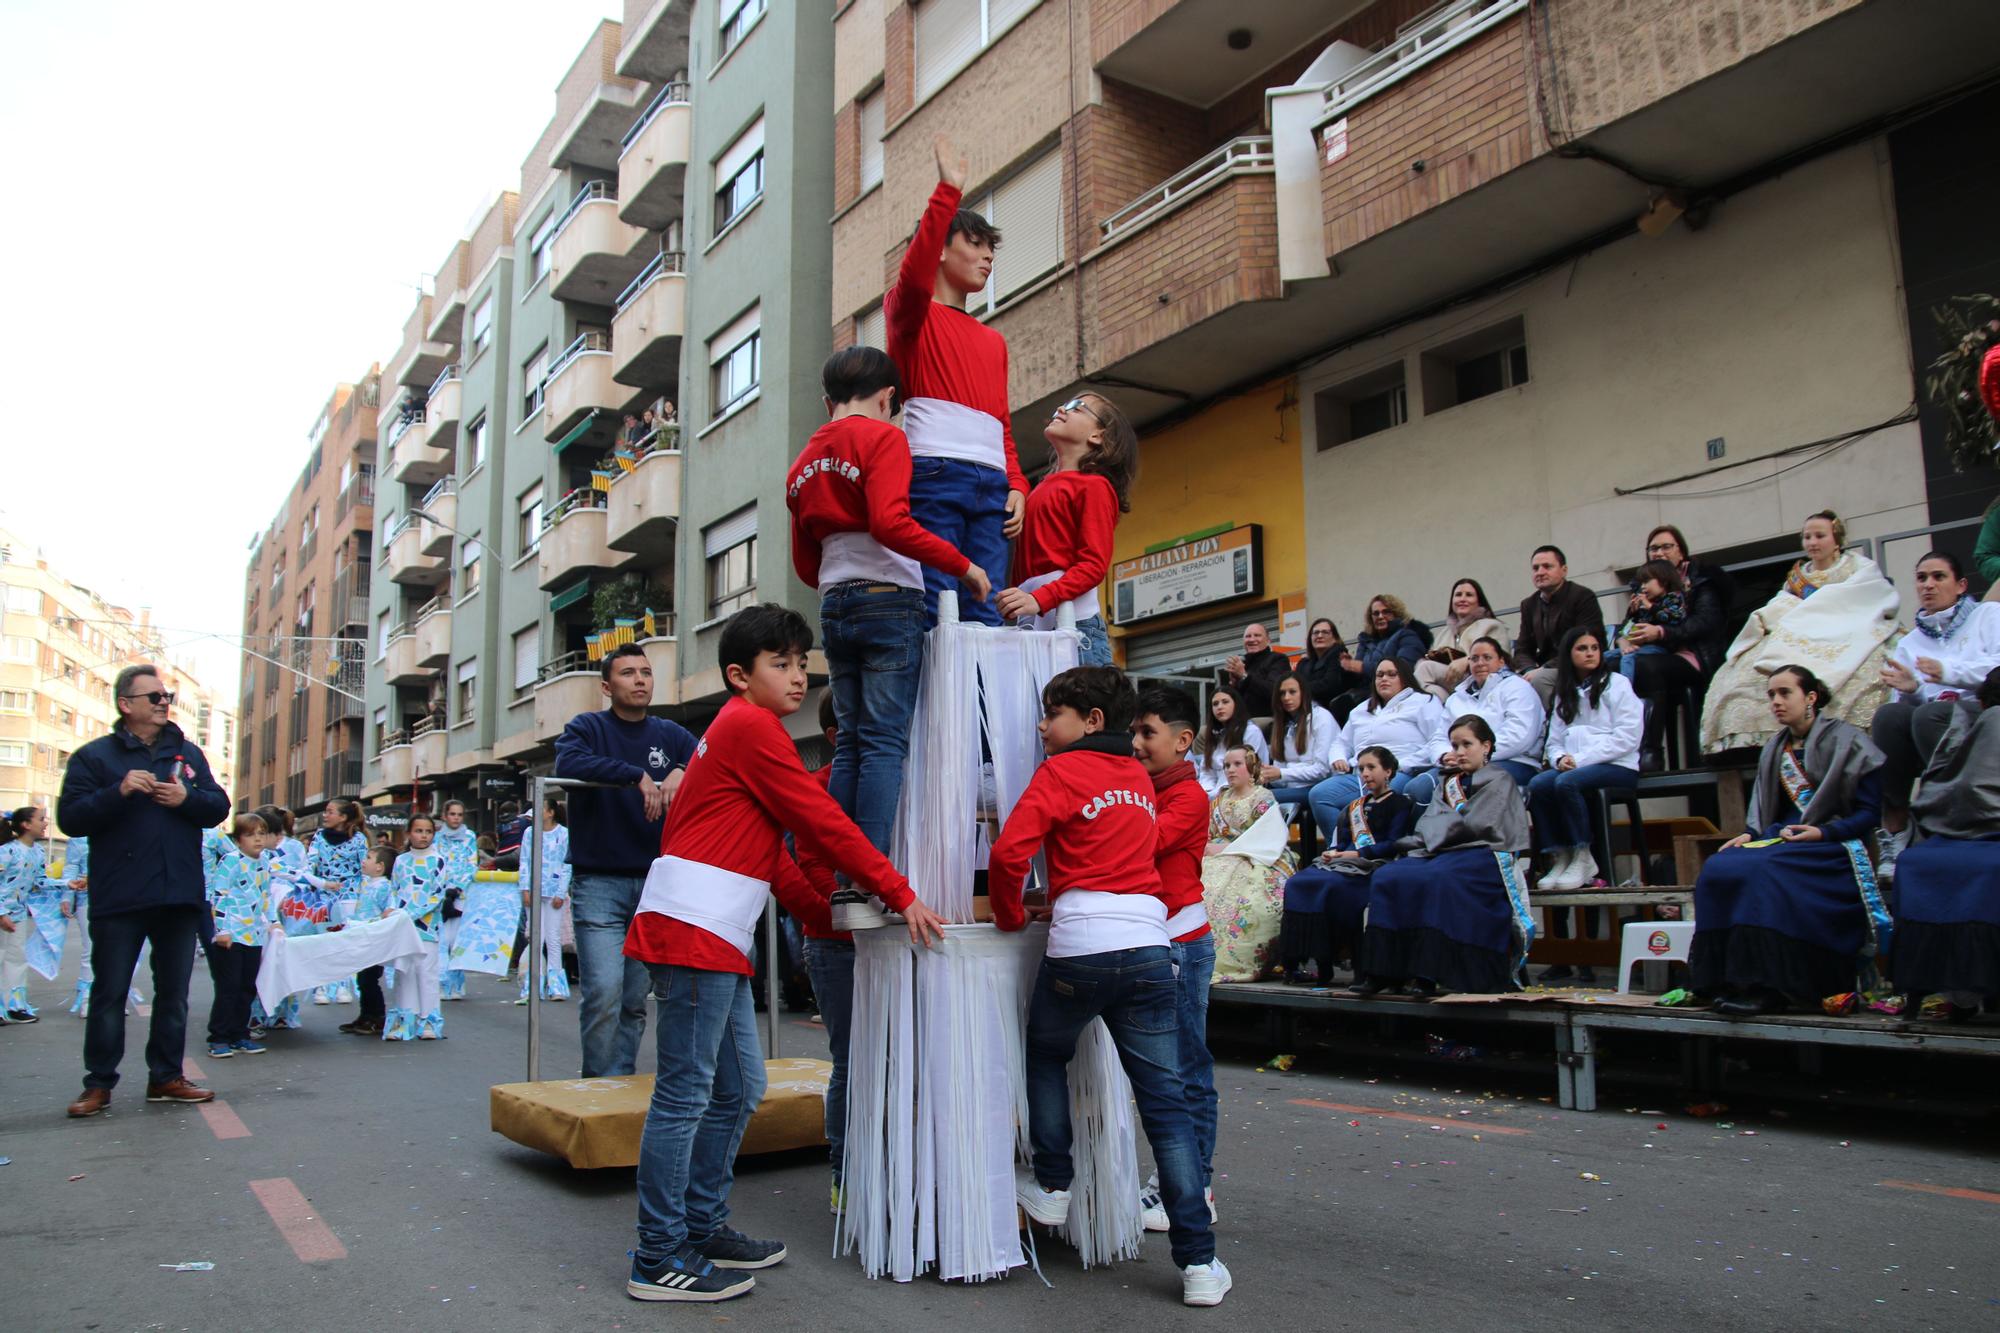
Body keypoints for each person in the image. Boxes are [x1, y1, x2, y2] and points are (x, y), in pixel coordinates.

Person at [622, 604, 944, 1304]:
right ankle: (657, 1253)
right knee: (685, 1094)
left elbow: (771, 853)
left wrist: (824, 921)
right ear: (740, 676)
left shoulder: (736, 734)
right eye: (782, 663)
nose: (799, 676)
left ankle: (699, 1225)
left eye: (803, 662)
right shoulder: (750, 728)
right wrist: (897, 891)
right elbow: (818, 819)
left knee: (738, 1087)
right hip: (695, 931)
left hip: (714, 933)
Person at [991, 665, 1229, 1308]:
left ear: (1091, 721)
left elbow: (1010, 854)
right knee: (1166, 1105)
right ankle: (1200, 1263)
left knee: (1046, 1054)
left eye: (1053, 713)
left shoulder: (1060, 772)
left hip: (1081, 949)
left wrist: (1012, 916)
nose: (1042, 726)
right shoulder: (1135, 777)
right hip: (1152, 948)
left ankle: (1053, 1186)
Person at [786, 344, 987, 872]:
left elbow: (806, 566)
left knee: (850, 742)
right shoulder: (885, 437)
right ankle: (874, 873)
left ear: (826, 400)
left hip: (835, 601)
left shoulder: (803, 462)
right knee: (883, 744)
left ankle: (848, 872)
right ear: (888, 396)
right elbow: (890, 523)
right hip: (888, 597)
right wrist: (964, 565)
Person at [57, 664, 230, 1117]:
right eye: (153, 696)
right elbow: (70, 819)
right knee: (109, 992)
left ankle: (166, 1077)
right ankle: (98, 1085)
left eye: (166, 696)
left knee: (173, 993)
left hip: (178, 895)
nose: (163, 703)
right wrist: (118, 791)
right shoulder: (95, 758)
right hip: (121, 897)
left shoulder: (187, 754)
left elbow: (219, 807)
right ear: (125, 704)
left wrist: (186, 799)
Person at [886, 134, 1029, 626]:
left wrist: (1018, 482)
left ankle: (979, 706)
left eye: (991, 248)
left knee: (988, 608)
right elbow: (914, 271)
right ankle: (939, 706)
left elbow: (1002, 421)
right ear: (941, 250)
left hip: (992, 482)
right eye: (974, 242)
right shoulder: (910, 313)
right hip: (933, 472)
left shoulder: (994, 341)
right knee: (936, 601)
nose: (988, 256)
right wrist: (946, 192)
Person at [1691, 665, 1886, 1016]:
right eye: (1771, 695)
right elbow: (1769, 815)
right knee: (1720, 866)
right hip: (1783, 841)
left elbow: (1870, 813)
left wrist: (1823, 832)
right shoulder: (1774, 749)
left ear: (1810, 697)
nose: (1776, 702)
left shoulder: (1850, 741)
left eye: (1785, 693)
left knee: (1763, 870)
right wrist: (1749, 835)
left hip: (1833, 844)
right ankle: (1724, 980)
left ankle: (1771, 985)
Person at [554, 641, 698, 1078]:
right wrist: (635, 775)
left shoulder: (670, 734)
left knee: (636, 1000)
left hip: (653, 884)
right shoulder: (587, 728)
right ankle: (598, 1089)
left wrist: (679, 770)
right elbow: (568, 759)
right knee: (603, 990)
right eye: (628, 673)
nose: (639, 680)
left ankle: (619, 1082)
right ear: (606, 685)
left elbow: (708, 754)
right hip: (599, 882)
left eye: (646, 672)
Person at [1351, 716, 1534, 997]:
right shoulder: (1447, 782)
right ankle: (1384, 970)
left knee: (1437, 878)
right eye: (1454, 745)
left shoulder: (1501, 779)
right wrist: (1427, 837)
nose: (1459, 752)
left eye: (1466, 744)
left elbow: (1480, 824)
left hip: (1482, 852)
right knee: (1389, 875)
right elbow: (1429, 822)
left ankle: (1430, 972)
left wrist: (1439, 832)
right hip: (1439, 850)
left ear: (1486, 746)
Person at [1130, 686, 1220, 1231]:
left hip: (1182, 944)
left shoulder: (1190, 798)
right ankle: (1171, 1182)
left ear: (1184, 741)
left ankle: (1196, 1188)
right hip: (1150, 941)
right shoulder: (1140, 784)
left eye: (1148, 733)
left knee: (1187, 1073)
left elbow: (1137, 841)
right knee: (1160, 1077)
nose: (1136, 744)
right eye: (1134, 732)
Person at [1701, 511, 1898, 753]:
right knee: (1742, 671)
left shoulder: (1859, 568)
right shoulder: (1798, 576)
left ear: (1837, 540)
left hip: (1847, 627)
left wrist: (1822, 604)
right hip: (1800, 629)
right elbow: (1783, 602)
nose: (1812, 542)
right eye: (1807, 537)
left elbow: (1870, 598)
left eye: (1820, 536)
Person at [1870, 552, 2000, 877]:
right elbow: (1913, 704)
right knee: (1889, 716)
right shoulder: (1910, 642)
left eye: (1938, 577)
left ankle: (1953, 815)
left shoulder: (1988, 615)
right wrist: (1912, 689)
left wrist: (1948, 671)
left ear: (1961, 585)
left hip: (1986, 712)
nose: (1928, 584)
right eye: (1921, 577)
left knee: (1932, 715)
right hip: (1935, 718)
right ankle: (1898, 830)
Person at [1888, 666, 2000, 1017]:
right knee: (1916, 862)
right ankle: (1954, 989)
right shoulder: (1978, 725)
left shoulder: (1988, 720)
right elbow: (1953, 782)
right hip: (1969, 829)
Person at [996, 391, 1136, 667]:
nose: (1062, 408)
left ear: (1098, 436)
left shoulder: (1094, 486)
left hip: (1076, 629)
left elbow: (1093, 565)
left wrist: (1038, 598)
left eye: (1078, 406)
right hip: (1036, 626)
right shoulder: (1039, 490)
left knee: (1076, 710)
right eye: (1065, 403)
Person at [1279, 746, 1418, 986]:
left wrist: (1357, 853)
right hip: (1346, 861)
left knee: (1334, 888)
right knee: (1299, 883)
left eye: (1371, 767)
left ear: (1388, 771)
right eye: (1361, 769)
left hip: (1373, 863)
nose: (1365, 773)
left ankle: (1352, 961)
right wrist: (1335, 852)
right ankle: (1313, 962)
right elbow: (1342, 840)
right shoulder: (1354, 807)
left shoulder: (1400, 804)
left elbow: (1393, 843)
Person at [1528, 627, 1644, 892]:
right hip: (1577, 765)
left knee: (1566, 783)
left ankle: (1583, 855)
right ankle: (1561, 855)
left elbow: (1628, 737)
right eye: (1582, 648)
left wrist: (1579, 760)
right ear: (1569, 654)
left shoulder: (1617, 684)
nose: (1590, 653)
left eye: (1594, 647)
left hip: (1618, 765)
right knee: (1539, 785)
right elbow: (1554, 741)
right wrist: (1559, 760)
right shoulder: (1564, 691)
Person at [1625, 526, 1733, 765]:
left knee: (1647, 666)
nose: (1659, 553)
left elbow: (1704, 622)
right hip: (1655, 653)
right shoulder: (1643, 585)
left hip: (1694, 656)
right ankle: (1619, 748)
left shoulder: (1702, 581)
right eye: (1653, 548)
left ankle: (1651, 751)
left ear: (1681, 551)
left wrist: (1661, 631)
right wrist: (1625, 639)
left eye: (1666, 546)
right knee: (1613, 664)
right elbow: (1629, 624)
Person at [1308, 658, 1443, 836]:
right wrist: (1338, 757)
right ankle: (1340, 849)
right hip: (1360, 775)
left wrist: (1396, 765)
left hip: (1399, 772)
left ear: (1404, 677)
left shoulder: (1424, 701)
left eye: (1391, 674)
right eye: (1379, 675)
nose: (1383, 679)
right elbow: (1340, 742)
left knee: (1384, 798)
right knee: (1320, 794)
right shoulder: (1361, 709)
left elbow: (1437, 740)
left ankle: (1379, 852)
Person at [1202, 745, 1296, 983]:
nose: (1230, 770)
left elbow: (1269, 835)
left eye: (1237, 764)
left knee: (1253, 895)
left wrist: (1225, 849)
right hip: (1218, 855)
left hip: (1257, 855)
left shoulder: (1263, 797)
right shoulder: (1220, 799)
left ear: (1251, 767)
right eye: (1226, 766)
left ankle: (1236, 960)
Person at [1418, 636, 1546, 797]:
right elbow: (1439, 737)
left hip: (1515, 761)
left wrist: (1472, 755)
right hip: (1461, 763)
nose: (1480, 663)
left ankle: (1462, 823)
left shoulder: (1518, 688)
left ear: (1501, 662)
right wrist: (1444, 755)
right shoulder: (1457, 697)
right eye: (1474, 658)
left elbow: (1519, 736)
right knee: (1419, 786)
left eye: (1487, 657)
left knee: (1463, 785)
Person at [203, 812, 272, 1059]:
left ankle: (240, 1034)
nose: (257, 839)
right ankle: (218, 1037)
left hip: (254, 934)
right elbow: (219, 895)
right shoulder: (231, 861)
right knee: (228, 987)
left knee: (247, 987)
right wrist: (222, 930)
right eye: (250, 834)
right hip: (231, 934)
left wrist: (273, 922)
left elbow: (267, 895)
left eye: (261, 834)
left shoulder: (265, 862)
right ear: (238, 839)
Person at [1514, 545, 1607, 706]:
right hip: (1541, 669)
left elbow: (1590, 641)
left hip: (1576, 667)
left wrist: (1543, 669)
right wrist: (1529, 670)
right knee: (1507, 683)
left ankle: (1554, 727)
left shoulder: (1582, 597)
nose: (1540, 572)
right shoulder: (1529, 604)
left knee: (1541, 680)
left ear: (1564, 570)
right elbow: (1522, 648)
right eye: (1535, 568)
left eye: (1547, 566)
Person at [385, 811, 448, 1041]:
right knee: (404, 972)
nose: (423, 836)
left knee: (426, 973)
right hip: (402, 927)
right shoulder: (401, 861)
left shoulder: (438, 860)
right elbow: (394, 890)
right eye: (419, 831)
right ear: (408, 833)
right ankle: (405, 1021)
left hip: (427, 927)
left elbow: (436, 896)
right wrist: (393, 911)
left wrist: (409, 915)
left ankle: (429, 1021)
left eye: (428, 831)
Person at [0, 806, 66, 1022]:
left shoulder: (37, 852)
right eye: (41, 819)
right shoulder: (6, 851)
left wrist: (68, 884)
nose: (45, 823)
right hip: (3, 916)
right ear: (26, 825)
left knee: (16, 960)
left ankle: (13, 1007)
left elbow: (40, 882)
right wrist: (1, 914)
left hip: (17, 917)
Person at [1331, 596, 1428, 723]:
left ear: (1396, 614)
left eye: (1386, 612)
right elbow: (1356, 678)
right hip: (1365, 692)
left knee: (1344, 704)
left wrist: (1361, 667)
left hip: (1395, 693)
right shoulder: (1366, 641)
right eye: (1375, 613)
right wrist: (1348, 668)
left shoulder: (1407, 636)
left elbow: (1404, 668)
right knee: (1336, 703)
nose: (1380, 616)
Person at [1258, 670, 1342, 811]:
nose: (1286, 697)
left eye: (1292, 692)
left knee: (1259, 801)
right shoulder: (1282, 724)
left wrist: (1282, 773)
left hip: (1320, 787)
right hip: (1294, 788)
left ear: (1303, 693)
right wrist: (1268, 774)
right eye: (1282, 693)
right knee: (1250, 796)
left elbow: (1322, 770)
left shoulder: (1322, 717)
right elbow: (1282, 776)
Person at [518, 797, 572, 1003]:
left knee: (553, 939)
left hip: (554, 893)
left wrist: (561, 892)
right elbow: (524, 861)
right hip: (534, 891)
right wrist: (525, 888)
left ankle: (557, 986)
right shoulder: (529, 834)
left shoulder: (564, 834)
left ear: (551, 812)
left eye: (541, 809)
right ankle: (533, 986)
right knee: (536, 938)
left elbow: (567, 864)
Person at [1417, 580, 1508, 701]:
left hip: (1477, 676)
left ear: (1479, 601)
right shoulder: (1444, 632)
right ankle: (1447, 704)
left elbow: (1503, 657)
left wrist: (1467, 660)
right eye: (1458, 595)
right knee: (1427, 685)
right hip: (1449, 682)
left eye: (1469, 595)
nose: (1462, 599)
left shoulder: (1492, 626)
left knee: (1425, 669)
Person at [434, 800, 481, 1000]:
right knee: (442, 940)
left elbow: (472, 865)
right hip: (442, 895)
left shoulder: (469, 837)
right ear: (445, 815)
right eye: (452, 814)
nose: (456, 818)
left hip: (462, 895)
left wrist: (458, 888)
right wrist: (444, 890)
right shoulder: (436, 838)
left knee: (458, 941)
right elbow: (435, 864)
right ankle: (443, 983)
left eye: (459, 814)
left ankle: (457, 984)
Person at [1222, 622, 1291, 710]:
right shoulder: (1241, 662)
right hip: (1244, 720)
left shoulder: (1278, 659)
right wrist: (1233, 684)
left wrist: (1244, 675)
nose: (1252, 639)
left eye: (1257, 635)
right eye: (1248, 636)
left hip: (1269, 719)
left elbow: (1274, 691)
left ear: (1268, 640)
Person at [1301, 618, 1354, 712]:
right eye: (1316, 633)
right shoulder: (1304, 663)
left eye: (1325, 632)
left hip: (1330, 711)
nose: (1319, 635)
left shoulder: (1340, 656)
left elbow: (1330, 685)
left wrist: (1301, 688)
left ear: (1334, 638)